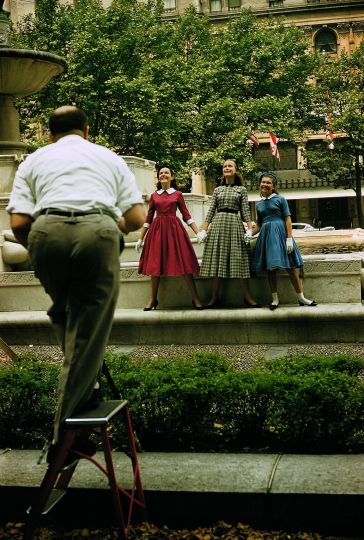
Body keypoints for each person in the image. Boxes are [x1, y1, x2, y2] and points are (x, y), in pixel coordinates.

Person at [6, 105, 146, 462]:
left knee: (65, 313)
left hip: (45, 234)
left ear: (50, 134)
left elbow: (20, 223)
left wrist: (41, 247)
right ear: (86, 130)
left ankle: (88, 398)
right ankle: (62, 441)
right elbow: (136, 217)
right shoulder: (108, 157)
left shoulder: (33, 161)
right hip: (96, 231)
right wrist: (105, 232)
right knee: (88, 334)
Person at [136, 165, 205, 310]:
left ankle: (195, 298)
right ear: (158, 177)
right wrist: (140, 238)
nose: (163, 175)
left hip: (175, 231)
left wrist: (198, 232)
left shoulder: (178, 194)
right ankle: (153, 299)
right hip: (157, 231)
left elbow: (186, 215)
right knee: (155, 265)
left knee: (185, 262)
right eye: (161, 173)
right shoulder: (154, 196)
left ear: (172, 177)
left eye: (166, 173)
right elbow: (148, 219)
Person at [251, 171, 317, 310]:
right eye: (263, 182)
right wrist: (249, 233)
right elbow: (259, 224)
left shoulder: (280, 199)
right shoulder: (258, 204)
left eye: (268, 182)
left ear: (273, 186)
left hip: (281, 235)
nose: (265, 184)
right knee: (271, 269)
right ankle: (274, 299)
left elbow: (287, 218)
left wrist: (289, 238)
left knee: (292, 267)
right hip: (267, 237)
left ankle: (301, 298)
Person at [199, 159, 260, 308]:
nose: (227, 168)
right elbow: (211, 212)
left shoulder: (241, 190)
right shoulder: (217, 190)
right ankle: (214, 297)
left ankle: (247, 297)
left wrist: (250, 230)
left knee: (239, 260)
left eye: (230, 166)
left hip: (234, 224)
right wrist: (203, 231)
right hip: (218, 225)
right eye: (225, 166)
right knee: (217, 261)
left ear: (235, 169)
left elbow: (245, 212)